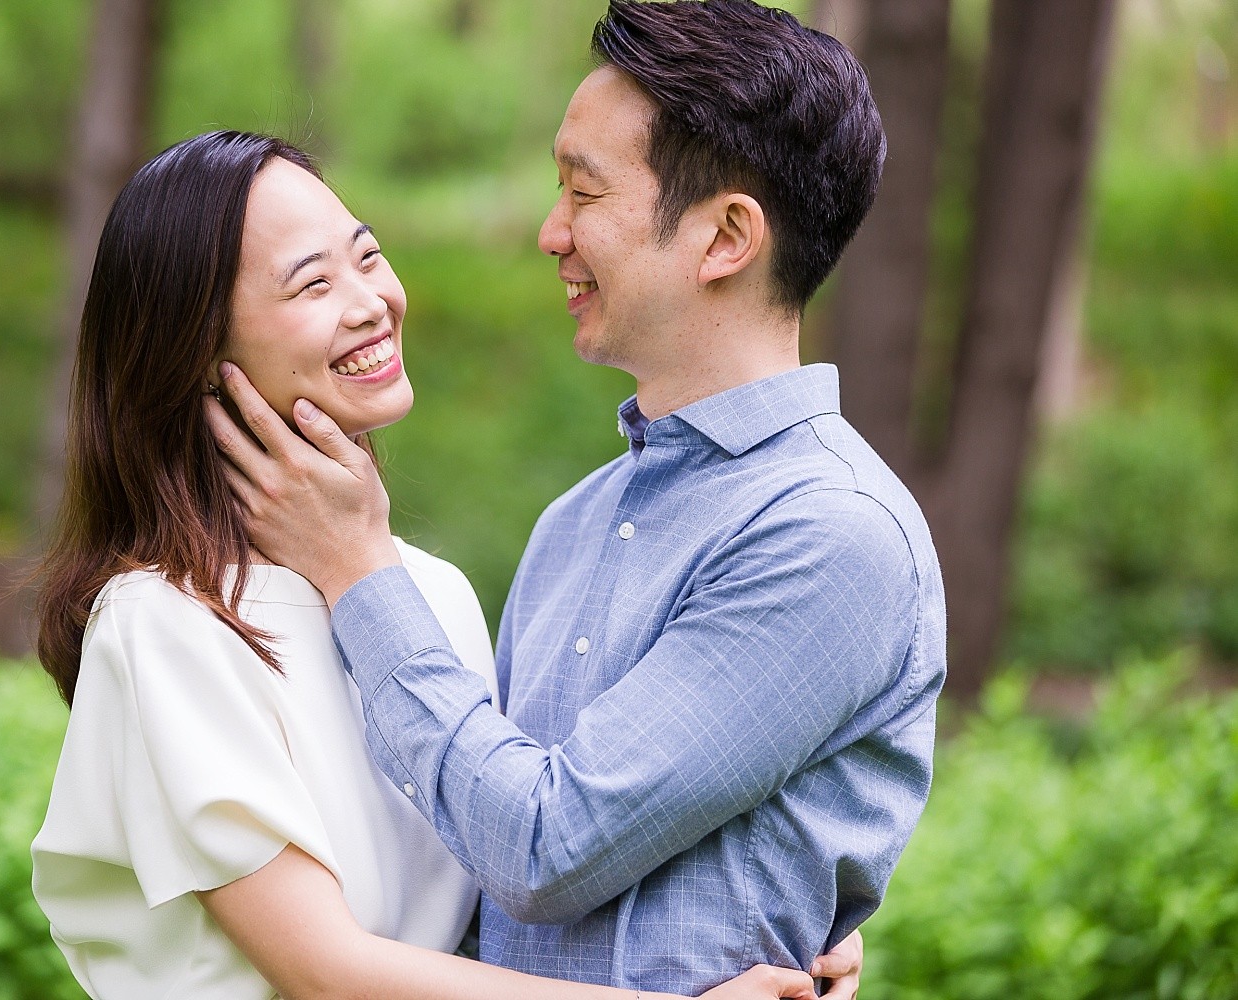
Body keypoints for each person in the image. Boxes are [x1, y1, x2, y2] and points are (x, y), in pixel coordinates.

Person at [202, 1, 947, 996]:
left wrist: (357, 569)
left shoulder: (832, 531)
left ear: (725, 237)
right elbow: (480, 864)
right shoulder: (576, 524)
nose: (551, 233)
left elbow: (544, 846)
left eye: (582, 191)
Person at [29, 130, 858, 1000]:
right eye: (313, 283)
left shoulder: (425, 596)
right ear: (194, 348)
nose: (371, 302)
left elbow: (535, 857)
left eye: (368, 257)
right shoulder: (167, 618)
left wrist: (783, 916)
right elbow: (323, 971)